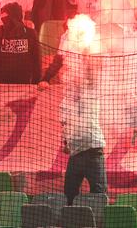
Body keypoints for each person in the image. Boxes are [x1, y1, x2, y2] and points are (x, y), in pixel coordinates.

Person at [60, 48, 107, 206]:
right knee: (69, 194)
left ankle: (97, 222)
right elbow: (64, 122)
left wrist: (86, 60)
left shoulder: (92, 90)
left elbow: (93, 77)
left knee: (99, 194)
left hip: (94, 151)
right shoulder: (68, 98)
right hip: (76, 153)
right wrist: (65, 142)